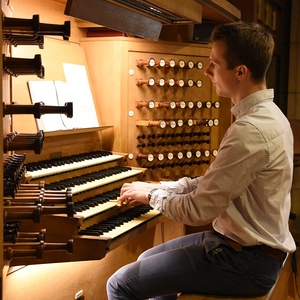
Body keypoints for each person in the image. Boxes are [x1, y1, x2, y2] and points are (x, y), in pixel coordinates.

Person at [106, 21, 296, 300]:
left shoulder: (251, 131)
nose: (207, 71)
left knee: (120, 284)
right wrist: (160, 188)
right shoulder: (270, 115)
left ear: (240, 72)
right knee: (146, 260)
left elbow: (198, 211)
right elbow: (212, 184)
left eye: (214, 64)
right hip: (241, 247)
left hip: (245, 261)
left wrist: (153, 196)